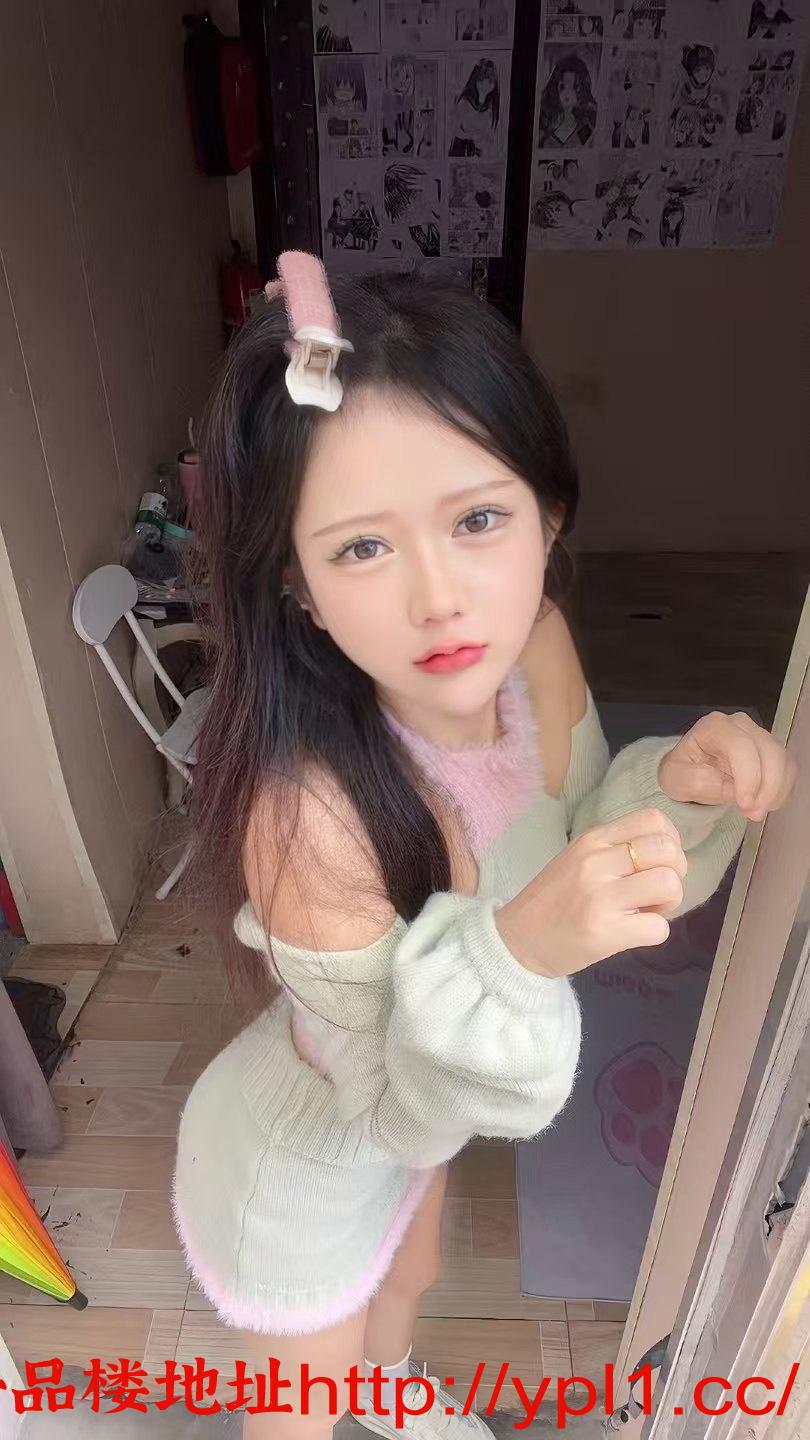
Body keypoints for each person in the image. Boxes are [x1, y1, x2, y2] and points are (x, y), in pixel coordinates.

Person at [172, 256, 796, 1440]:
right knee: (300, 1401)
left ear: (547, 513)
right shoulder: (305, 814)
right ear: (297, 584)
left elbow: (572, 829)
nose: (441, 599)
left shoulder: (535, 645)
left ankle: (389, 1391)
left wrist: (675, 787)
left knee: (410, 1277)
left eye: (477, 520)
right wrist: (513, 955)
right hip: (315, 1149)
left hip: (421, 1125)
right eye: (362, 548)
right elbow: (397, 1104)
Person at [537, 53, 597, 147]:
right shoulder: (546, 118)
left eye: (574, 87)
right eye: (563, 86)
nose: (567, 93)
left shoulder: (585, 125)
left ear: (582, 90)